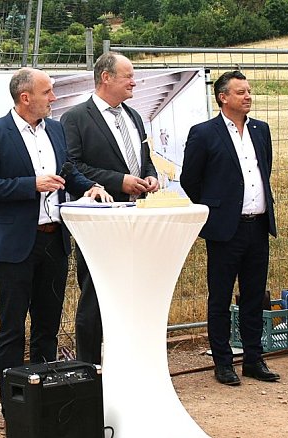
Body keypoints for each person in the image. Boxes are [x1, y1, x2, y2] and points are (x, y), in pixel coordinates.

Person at [0, 67, 111, 393]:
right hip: (17, 246)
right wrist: (30, 185)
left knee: (47, 328)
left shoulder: (57, 131)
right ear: (25, 97)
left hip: (54, 243)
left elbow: (68, 172)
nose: (53, 98)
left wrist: (89, 186)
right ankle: (13, 402)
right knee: (12, 329)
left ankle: (43, 398)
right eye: (47, 92)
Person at [181, 71, 280, 386]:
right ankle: (223, 362)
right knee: (220, 297)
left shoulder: (260, 131)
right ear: (223, 97)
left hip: (258, 226)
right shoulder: (204, 133)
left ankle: (254, 359)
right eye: (241, 92)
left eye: (249, 91)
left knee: (253, 296)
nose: (248, 96)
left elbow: (265, 170)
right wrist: (216, 208)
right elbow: (190, 179)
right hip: (225, 230)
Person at [61, 52, 160, 366]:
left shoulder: (134, 116)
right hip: (100, 222)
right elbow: (72, 166)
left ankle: (126, 364)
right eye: (128, 76)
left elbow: (144, 159)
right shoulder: (76, 118)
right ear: (106, 77)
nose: (134, 81)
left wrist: (150, 176)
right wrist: (120, 182)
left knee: (132, 294)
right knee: (95, 295)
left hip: (137, 218)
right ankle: (89, 368)